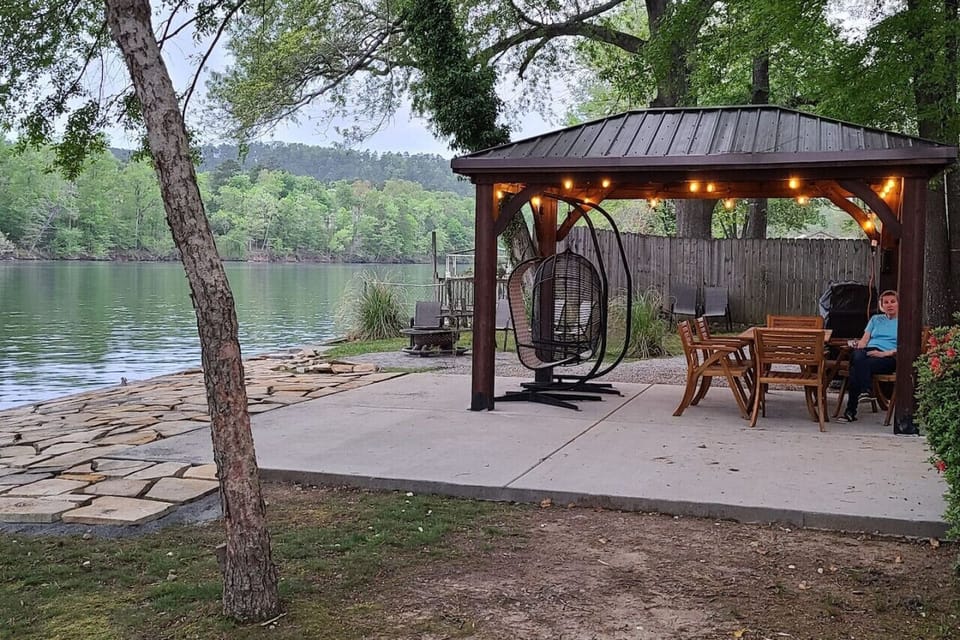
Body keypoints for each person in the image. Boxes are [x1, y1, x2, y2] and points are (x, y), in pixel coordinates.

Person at [838, 290, 898, 422]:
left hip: (888, 356)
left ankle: (851, 410)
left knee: (855, 368)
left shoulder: (904, 323)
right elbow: (864, 341)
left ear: (899, 304)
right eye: (886, 302)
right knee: (857, 355)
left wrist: (883, 353)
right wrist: (856, 344)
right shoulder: (875, 319)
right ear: (881, 305)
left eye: (893, 301)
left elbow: (904, 347)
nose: (889, 305)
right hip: (868, 352)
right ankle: (866, 390)